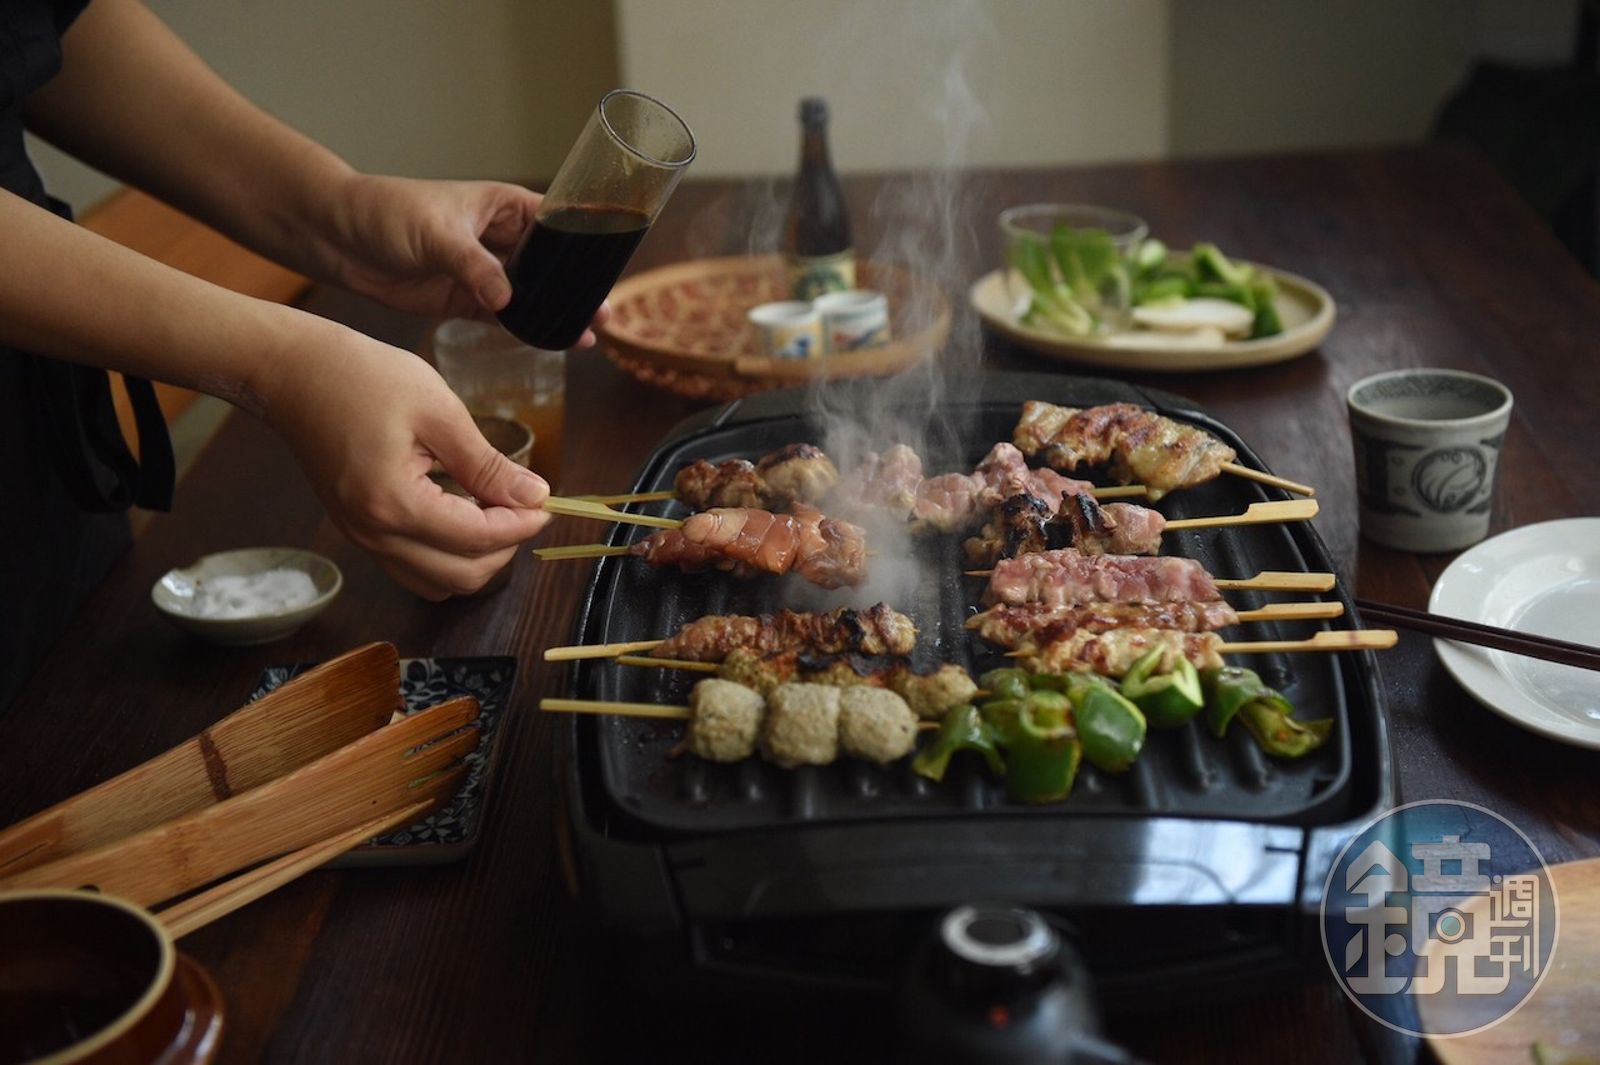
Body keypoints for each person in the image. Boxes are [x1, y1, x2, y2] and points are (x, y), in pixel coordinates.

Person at [1, 0, 601, 707]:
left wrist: (340, 212)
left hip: (45, 471)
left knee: (80, 697)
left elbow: (40, 22)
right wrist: (277, 367)